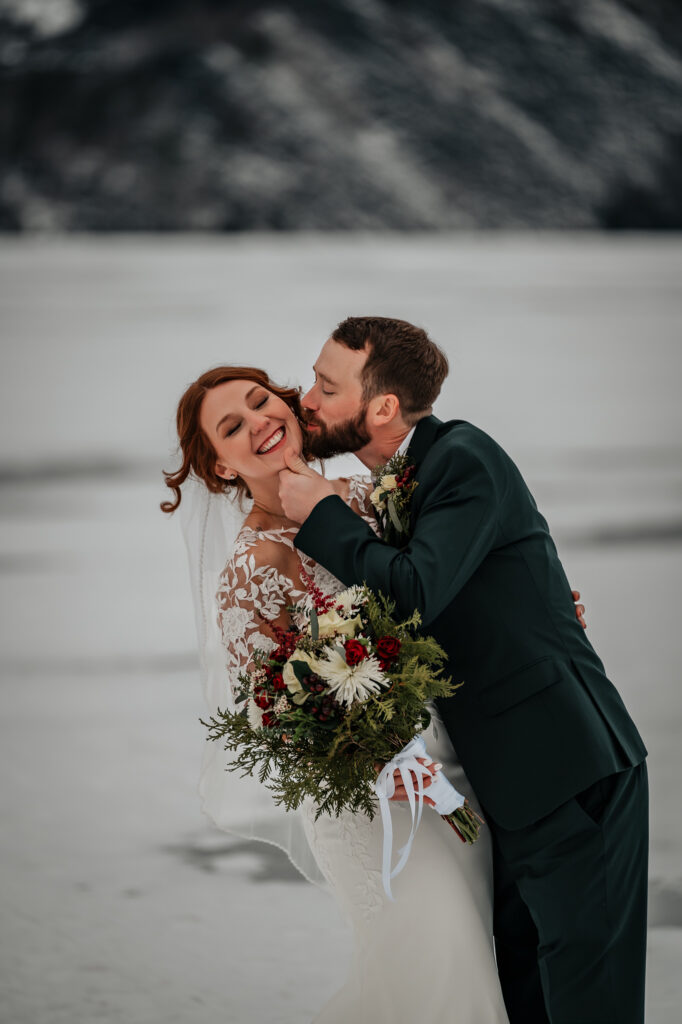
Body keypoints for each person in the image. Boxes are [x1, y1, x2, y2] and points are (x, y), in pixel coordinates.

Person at [162, 364, 588, 1023]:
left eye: (260, 402)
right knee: (442, 977)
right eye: (232, 427)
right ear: (221, 467)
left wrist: (536, 614)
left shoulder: (370, 496)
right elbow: (272, 711)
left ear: (289, 406)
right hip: (369, 804)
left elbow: (444, 589)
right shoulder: (253, 569)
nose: (258, 422)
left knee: (467, 972)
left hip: (456, 772)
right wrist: (375, 750)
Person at [278, 316, 649, 1024]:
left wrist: (323, 515)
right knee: (526, 997)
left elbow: (415, 590)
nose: (309, 401)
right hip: (506, 786)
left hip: (571, 770)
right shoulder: (398, 482)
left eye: (328, 387)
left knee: (589, 1003)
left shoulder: (461, 457)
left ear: (382, 408)